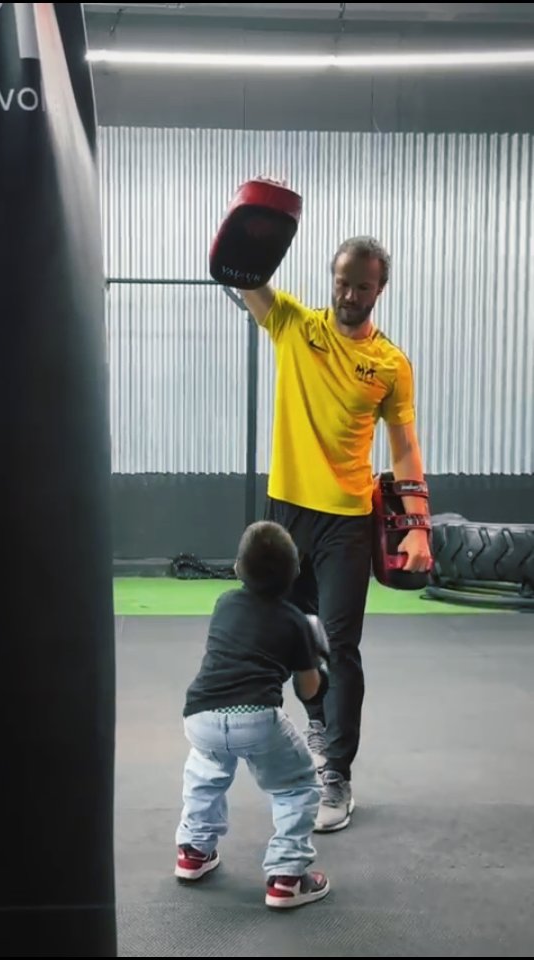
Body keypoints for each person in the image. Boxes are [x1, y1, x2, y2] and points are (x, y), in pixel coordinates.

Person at [241, 234, 432, 833]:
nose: (351, 295)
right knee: (289, 635)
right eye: (343, 282)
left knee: (342, 648)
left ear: (381, 288)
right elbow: (246, 281)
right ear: (333, 277)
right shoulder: (295, 325)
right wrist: (247, 239)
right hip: (286, 514)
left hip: (349, 520)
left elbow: (403, 446)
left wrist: (417, 526)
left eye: (364, 286)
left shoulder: (390, 363)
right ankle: (317, 721)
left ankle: (337, 775)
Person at [175, 520, 331, 909]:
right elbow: (307, 690)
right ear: (295, 574)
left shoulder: (224, 602)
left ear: (236, 568)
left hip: (201, 715)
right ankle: (287, 877)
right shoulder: (296, 621)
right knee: (298, 785)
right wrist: (320, 661)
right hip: (256, 717)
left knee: (205, 775)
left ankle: (193, 851)